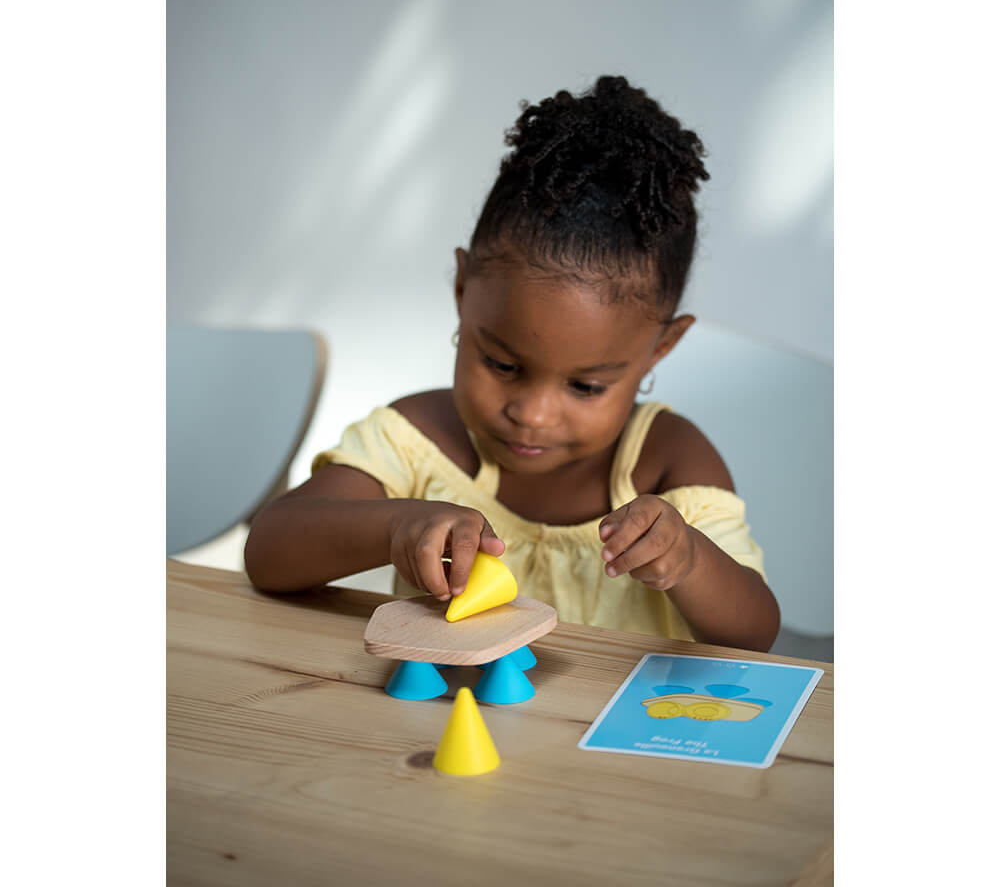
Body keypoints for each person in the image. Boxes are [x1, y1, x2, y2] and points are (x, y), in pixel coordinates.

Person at [245, 76, 780, 652]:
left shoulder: (668, 462)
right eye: (502, 364)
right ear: (461, 288)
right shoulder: (418, 440)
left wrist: (689, 560)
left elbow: (755, 634)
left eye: (585, 385)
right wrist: (396, 524)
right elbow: (269, 551)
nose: (532, 413)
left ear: (661, 348)